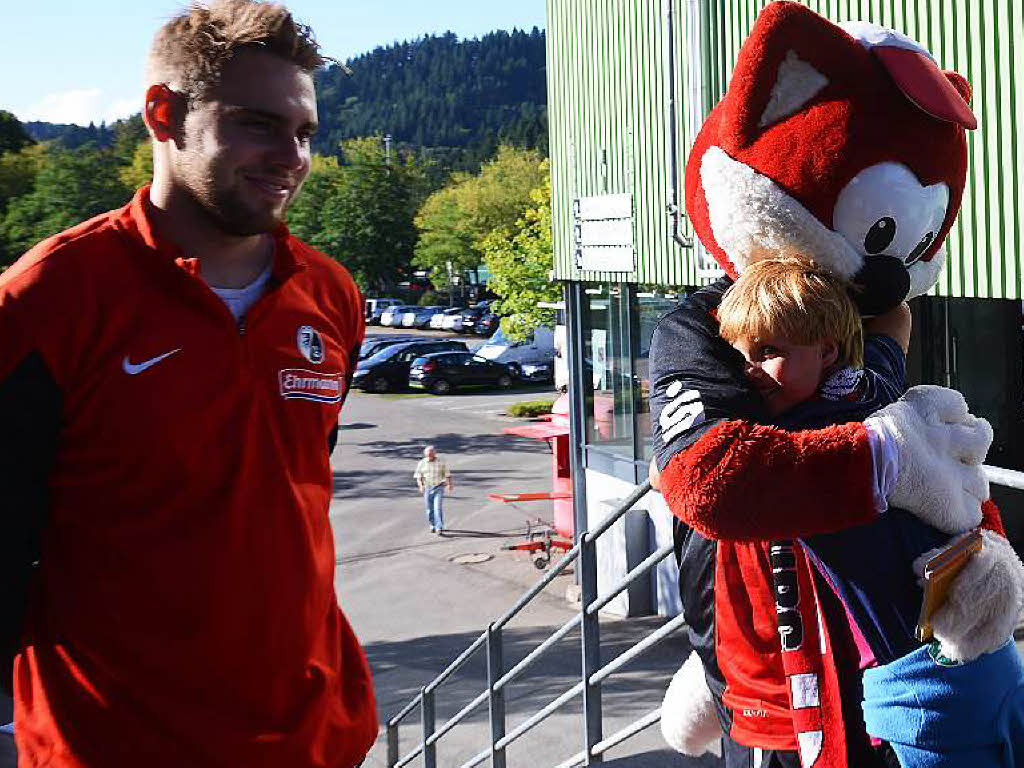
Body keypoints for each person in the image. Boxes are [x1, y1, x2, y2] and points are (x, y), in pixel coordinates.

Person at [0, 2, 377, 766]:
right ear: (164, 114)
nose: (292, 156)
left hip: (312, 735)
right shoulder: (47, 297)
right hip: (111, 741)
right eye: (257, 124)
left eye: (304, 132)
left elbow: (293, 495)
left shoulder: (332, 295)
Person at [716, 258, 1024, 767]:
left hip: (923, 688)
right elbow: (894, 324)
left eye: (769, 352)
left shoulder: (799, 440)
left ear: (828, 350)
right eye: (738, 356)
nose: (748, 373)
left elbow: (707, 479)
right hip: (978, 660)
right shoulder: (874, 388)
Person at [415, 445, 453, 534]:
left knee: (437, 508)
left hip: (438, 487)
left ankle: (439, 527)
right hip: (427, 488)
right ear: (425, 455)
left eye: (432, 454)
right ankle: (432, 524)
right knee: (429, 508)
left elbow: (447, 474)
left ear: (435, 453)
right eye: (428, 455)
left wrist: (450, 484)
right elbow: (418, 476)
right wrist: (421, 486)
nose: (430, 456)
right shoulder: (422, 463)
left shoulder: (441, 462)